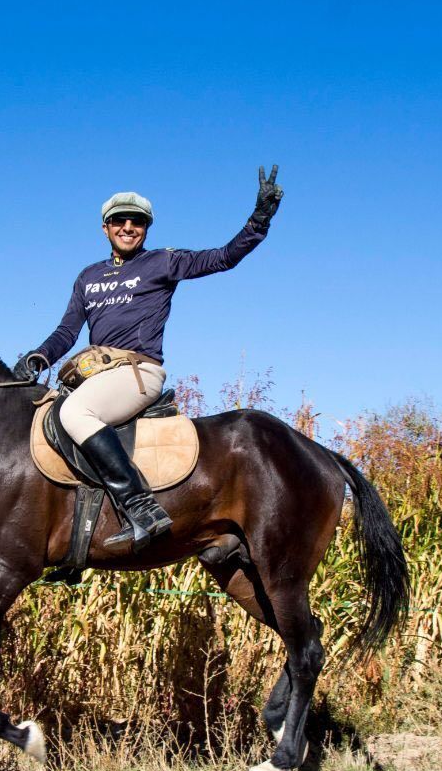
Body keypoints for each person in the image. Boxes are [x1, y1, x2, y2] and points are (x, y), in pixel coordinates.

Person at [15, 166, 284, 551]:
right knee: (47, 420)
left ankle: (143, 508)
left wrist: (258, 221)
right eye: (119, 221)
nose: (128, 227)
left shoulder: (161, 262)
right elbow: (66, 332)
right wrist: (39, 357)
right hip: (96, 376)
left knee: (74, 414)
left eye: (137, 222)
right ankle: (76, 543)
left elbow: (223, 258)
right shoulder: (88, 277)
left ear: (146, 228)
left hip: (137, 372)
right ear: (105, 228)